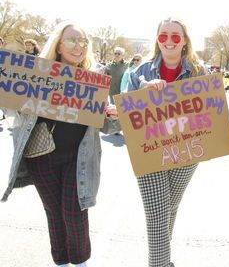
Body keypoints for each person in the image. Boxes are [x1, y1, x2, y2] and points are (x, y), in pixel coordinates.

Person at [1, 21, 120, 267]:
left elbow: (105, 126)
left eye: (83, 42)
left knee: (74, 213)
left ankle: (80, 262)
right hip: (40, 156)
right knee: (55, 214)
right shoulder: (36, 74)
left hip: (79, 159)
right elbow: (11, 107)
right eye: (71, 41)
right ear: (58, 45)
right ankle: (62, 262)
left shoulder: (93, 80)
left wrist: (112, 115)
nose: (78, 47)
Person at [127, 17, 205, 267]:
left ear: (184, 41)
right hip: (150, 150)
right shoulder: (141, 72)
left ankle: (163, 260)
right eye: (163, 36)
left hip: (187, 152)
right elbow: (125, 116)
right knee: (158, 214)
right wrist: (142, 95)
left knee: (167, 210)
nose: (169, 41)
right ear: (157, 40)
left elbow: (211, 113)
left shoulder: (199, 71)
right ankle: (160, 264)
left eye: (175, 36)